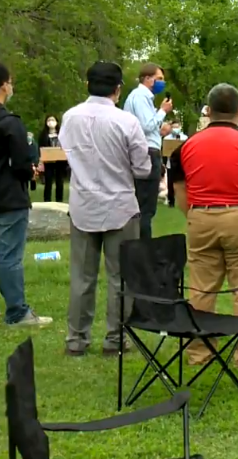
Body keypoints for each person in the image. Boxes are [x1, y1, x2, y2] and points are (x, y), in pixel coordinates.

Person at [169, 83, 238, 368]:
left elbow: (180, 190)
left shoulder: (186, 145)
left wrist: (193, 215)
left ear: (208, 111)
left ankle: (199, 352)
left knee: (202, 289)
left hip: (201, 217)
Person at [59, 61, 151, 353]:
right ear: (118, 89)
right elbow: (142, 168)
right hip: (120, 206)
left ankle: (76, 339)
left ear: (87, 85)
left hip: (83, 204)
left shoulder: (70, 117)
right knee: (120, 277)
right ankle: (115, 339)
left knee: (82, 277)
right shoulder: (126, 121)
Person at [0, 61, 52, 326]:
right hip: (7, 198)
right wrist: (32, 170)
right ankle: (17, 312)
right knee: (10, 257)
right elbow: (21, 164)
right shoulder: (9, 122)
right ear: (4, 85)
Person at [123, 63, 172, 239]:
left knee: (143, 204)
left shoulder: (140, 98)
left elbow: (144, 128)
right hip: (147, 153)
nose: (161, 83)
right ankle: (143, 248)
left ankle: (138, 247)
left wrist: (160, 131)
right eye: (159, 79)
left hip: (144, 149)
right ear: (147, 78)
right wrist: (162, 112)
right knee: (146, 207)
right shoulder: (141, 97)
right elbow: (146, 125)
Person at [36, 114, 67, 202]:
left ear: (57, 122)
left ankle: (59, 200)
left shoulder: (62, 134)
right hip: (48, 161)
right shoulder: (43, 135)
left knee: (59, 181)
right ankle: (47, 200)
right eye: (49, 120)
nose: (51, 122)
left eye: (53, 120)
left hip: (60, 161)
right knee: (48, 181)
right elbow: (41, 148)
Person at [163, 120, 188, 208]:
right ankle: (171, 201)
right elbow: (165, 151)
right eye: (174, 127)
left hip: (182, 163)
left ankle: (185, 200)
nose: (175, 129)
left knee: (183, 181)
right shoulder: (167, 139)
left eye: (177, 127)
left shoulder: (185, 138)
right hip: (170, 162)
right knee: (170, 182)